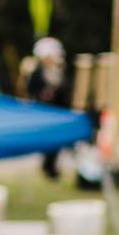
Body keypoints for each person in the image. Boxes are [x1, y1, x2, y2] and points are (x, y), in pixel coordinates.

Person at [19, 38, 76, 178]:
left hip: (58, 111)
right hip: (44, 112)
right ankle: (48, 167)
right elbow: (31, 90)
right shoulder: (37, 73)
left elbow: (66, 91)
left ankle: (52, 167)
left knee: (57, 143)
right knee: (49, 144)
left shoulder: (60, 72)